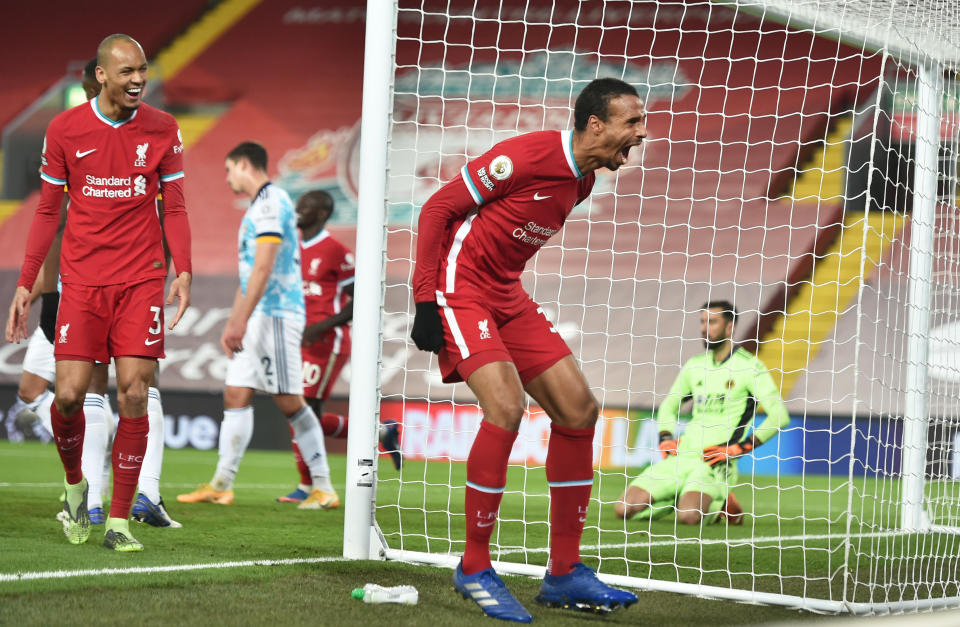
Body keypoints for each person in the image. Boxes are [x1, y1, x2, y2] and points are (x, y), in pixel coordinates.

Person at [410, 78, 643, 621]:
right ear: (595, 125)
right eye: (631, 122)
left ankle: (563, 573)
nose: (641, 132)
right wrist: (425, 300)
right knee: (507, 407)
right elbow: (437, 210)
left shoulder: (583, 181)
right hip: (459, 285)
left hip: (506, 294)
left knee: (579, 411)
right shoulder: (527, 155)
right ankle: (473, 565)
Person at [5, 35, 192, 552]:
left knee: (134, 392)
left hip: (140, 279)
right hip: (81, 281)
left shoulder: (163, 128)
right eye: (128, 71)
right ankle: (74, 484)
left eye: (144, 71)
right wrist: (26, 283)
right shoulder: (65, 129)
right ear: (102, 75)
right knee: (66, 396)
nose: (138, 80)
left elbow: (174, 207)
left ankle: (117, 522)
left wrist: (183, 270)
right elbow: (47, 212)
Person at [177, 142, 337, 510]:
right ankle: (221, 484)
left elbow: (264, 269)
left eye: (228, 169)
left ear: (244, 164)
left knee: (289, 401)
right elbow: (249, 275)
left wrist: (240, 319)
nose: (227, 177)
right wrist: (235, 320)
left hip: (277, 314)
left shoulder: (271, 203)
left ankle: (324, 487)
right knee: (235, 393)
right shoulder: (260, 206)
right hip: (259, 315)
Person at [614, 301, 790, 526]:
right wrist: (666, 437)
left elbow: (779, 416)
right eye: (703, 322)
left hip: (713, 463)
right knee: (623, 509)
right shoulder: (695, 366)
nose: (705, 328)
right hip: (681, 457)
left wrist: (739, 448)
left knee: (688, 517)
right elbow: (669, 405)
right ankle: (686, 496)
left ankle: (720, 506)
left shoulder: (750, 367)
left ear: (730, 327)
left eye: (713, 322)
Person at [276, 190, 401, 505]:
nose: (298, 209)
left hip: (326, 342)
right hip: (296, 339)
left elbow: (360, 299)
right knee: (300, 414)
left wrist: (322, 325)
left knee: (304, 411)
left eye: (305, 206)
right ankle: (379, 435)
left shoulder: (335, 252)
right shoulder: (290, 248)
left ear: (321, 214)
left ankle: (316, 486)